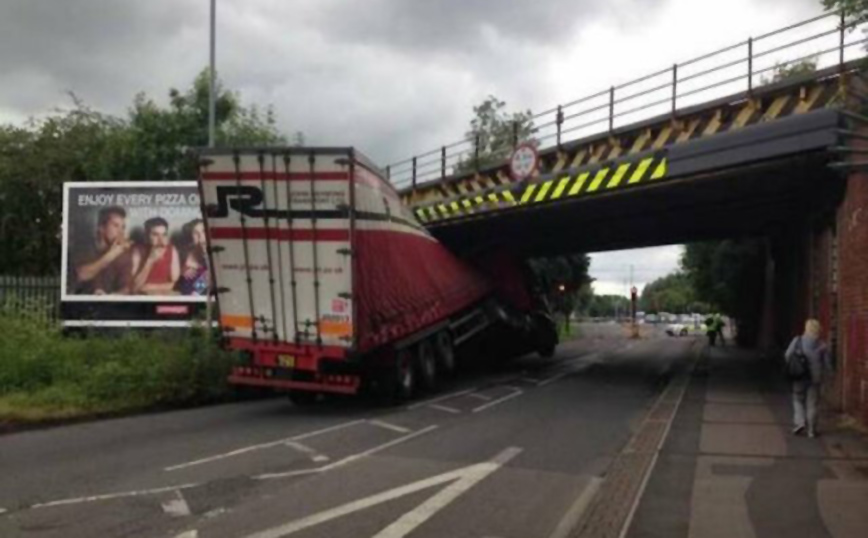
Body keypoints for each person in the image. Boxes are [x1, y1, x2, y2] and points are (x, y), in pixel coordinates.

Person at [784, 319, 832, 438]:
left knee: (797, 399)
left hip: (799, 376)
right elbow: (827, 365)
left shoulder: (797, 340)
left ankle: (800, 422)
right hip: (815, 378)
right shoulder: (822, 345)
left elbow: (787, 355)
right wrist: (827, 377)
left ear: (806, 328)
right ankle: (811, 430)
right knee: (812, 404)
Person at [72, 206, 132, 295]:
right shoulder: (84, 247)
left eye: (123, 227)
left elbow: (126, 289)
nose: (121, 232)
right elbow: (81, 275)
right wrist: (111, 255)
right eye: (115, 226)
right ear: (101, 228)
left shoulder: (123, 254)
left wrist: (108, 298)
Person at [131, 217, 181, 295]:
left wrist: (149, 287)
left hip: (165, 296)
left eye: (164, 235)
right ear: (146, 236)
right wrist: (150, 260)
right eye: (155, 235)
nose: (161, 240)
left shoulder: (171, 249)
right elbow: (134, 287)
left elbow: (174, 283)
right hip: (143, 297)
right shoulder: (137, 250)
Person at [176, 219, 209, 296]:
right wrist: (182, 271)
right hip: (187, 291)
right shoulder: (184, 254)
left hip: (200, 293)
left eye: (204, 231)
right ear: (191, 237)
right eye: (196, 233)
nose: (201, 236)